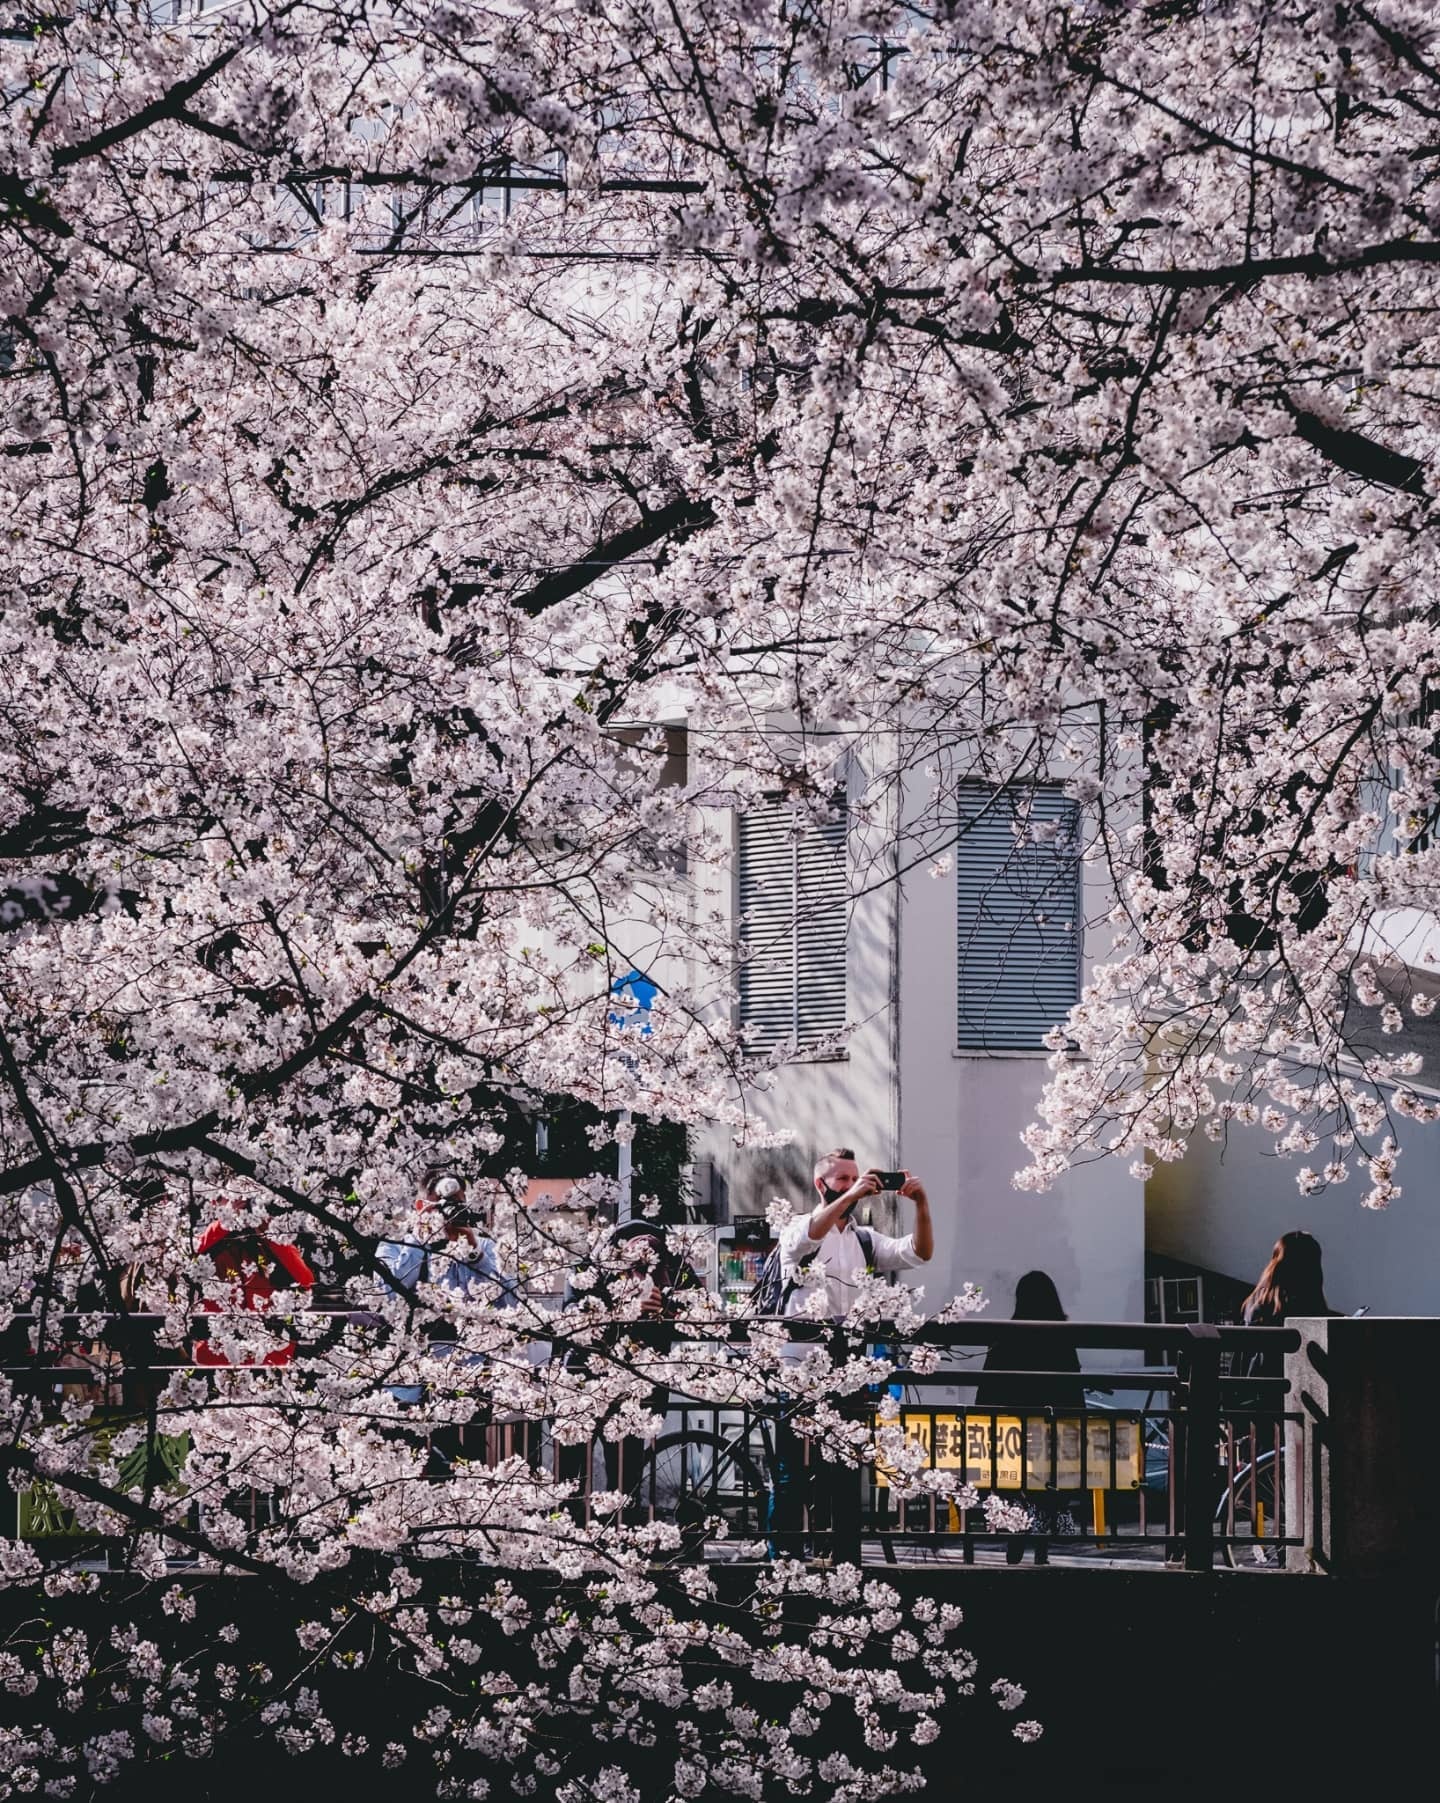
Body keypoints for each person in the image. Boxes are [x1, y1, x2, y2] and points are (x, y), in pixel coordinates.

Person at [766, 1147, 934, 1561]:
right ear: (820, 1184)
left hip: (847, 1372)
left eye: (856, 1178)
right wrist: (853, 1194)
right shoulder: (797, 1229)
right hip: (799, 1372)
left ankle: (842, 1557)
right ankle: (782, 1558)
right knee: (791, 1473)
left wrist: (921, 1204)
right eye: (843, 1179)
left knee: (843, 1469)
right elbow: (808, 1236)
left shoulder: (863, 1239)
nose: (852, 1185)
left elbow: (918, 1252)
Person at [555, 1215, 702, 1524]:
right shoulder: (590, 1267)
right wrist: (624, 1309)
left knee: (626, 1475)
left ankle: (621, 1535)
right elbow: (572, 1317)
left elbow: (702, 1311)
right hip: (582, 1382)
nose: (642, 1276)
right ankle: (567, 1535)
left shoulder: (674, 1266)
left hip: (637, 1389)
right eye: (634, 1269)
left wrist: (666, 1309)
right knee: (570, 1474)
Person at [376, 1171, 518, 1476]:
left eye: (457, 1204)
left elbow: (510, 1305)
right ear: (420, 1207)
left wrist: (474, 1254)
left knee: (464, 1475)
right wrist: (420, 1239)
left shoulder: (485, 1248)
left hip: (467, 1380)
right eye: (440, 1204)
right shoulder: (393, 1246)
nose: (448, 1212)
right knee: (404, 1476)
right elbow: (387, 1295)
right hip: (406, 1382)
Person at [974, 1270, 1084, 1565]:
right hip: (1052, 1426)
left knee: (1015, 1485)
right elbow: (1073, 1385)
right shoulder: (1062, 1336)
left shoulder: (1006, 1335)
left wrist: (985, 1418)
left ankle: (1016, 1535)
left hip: (1013, 1426)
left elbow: (988, 1385)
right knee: (1047, 1484)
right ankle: (1041, 1548)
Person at [193, 1212, 315, 1367]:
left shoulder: (267, 1238)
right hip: (216, 1351)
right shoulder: (205, 1239)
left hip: (271, 1351)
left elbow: (305, 1281)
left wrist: (272, 1234)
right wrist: (226, 1221)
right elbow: (190, 1259)